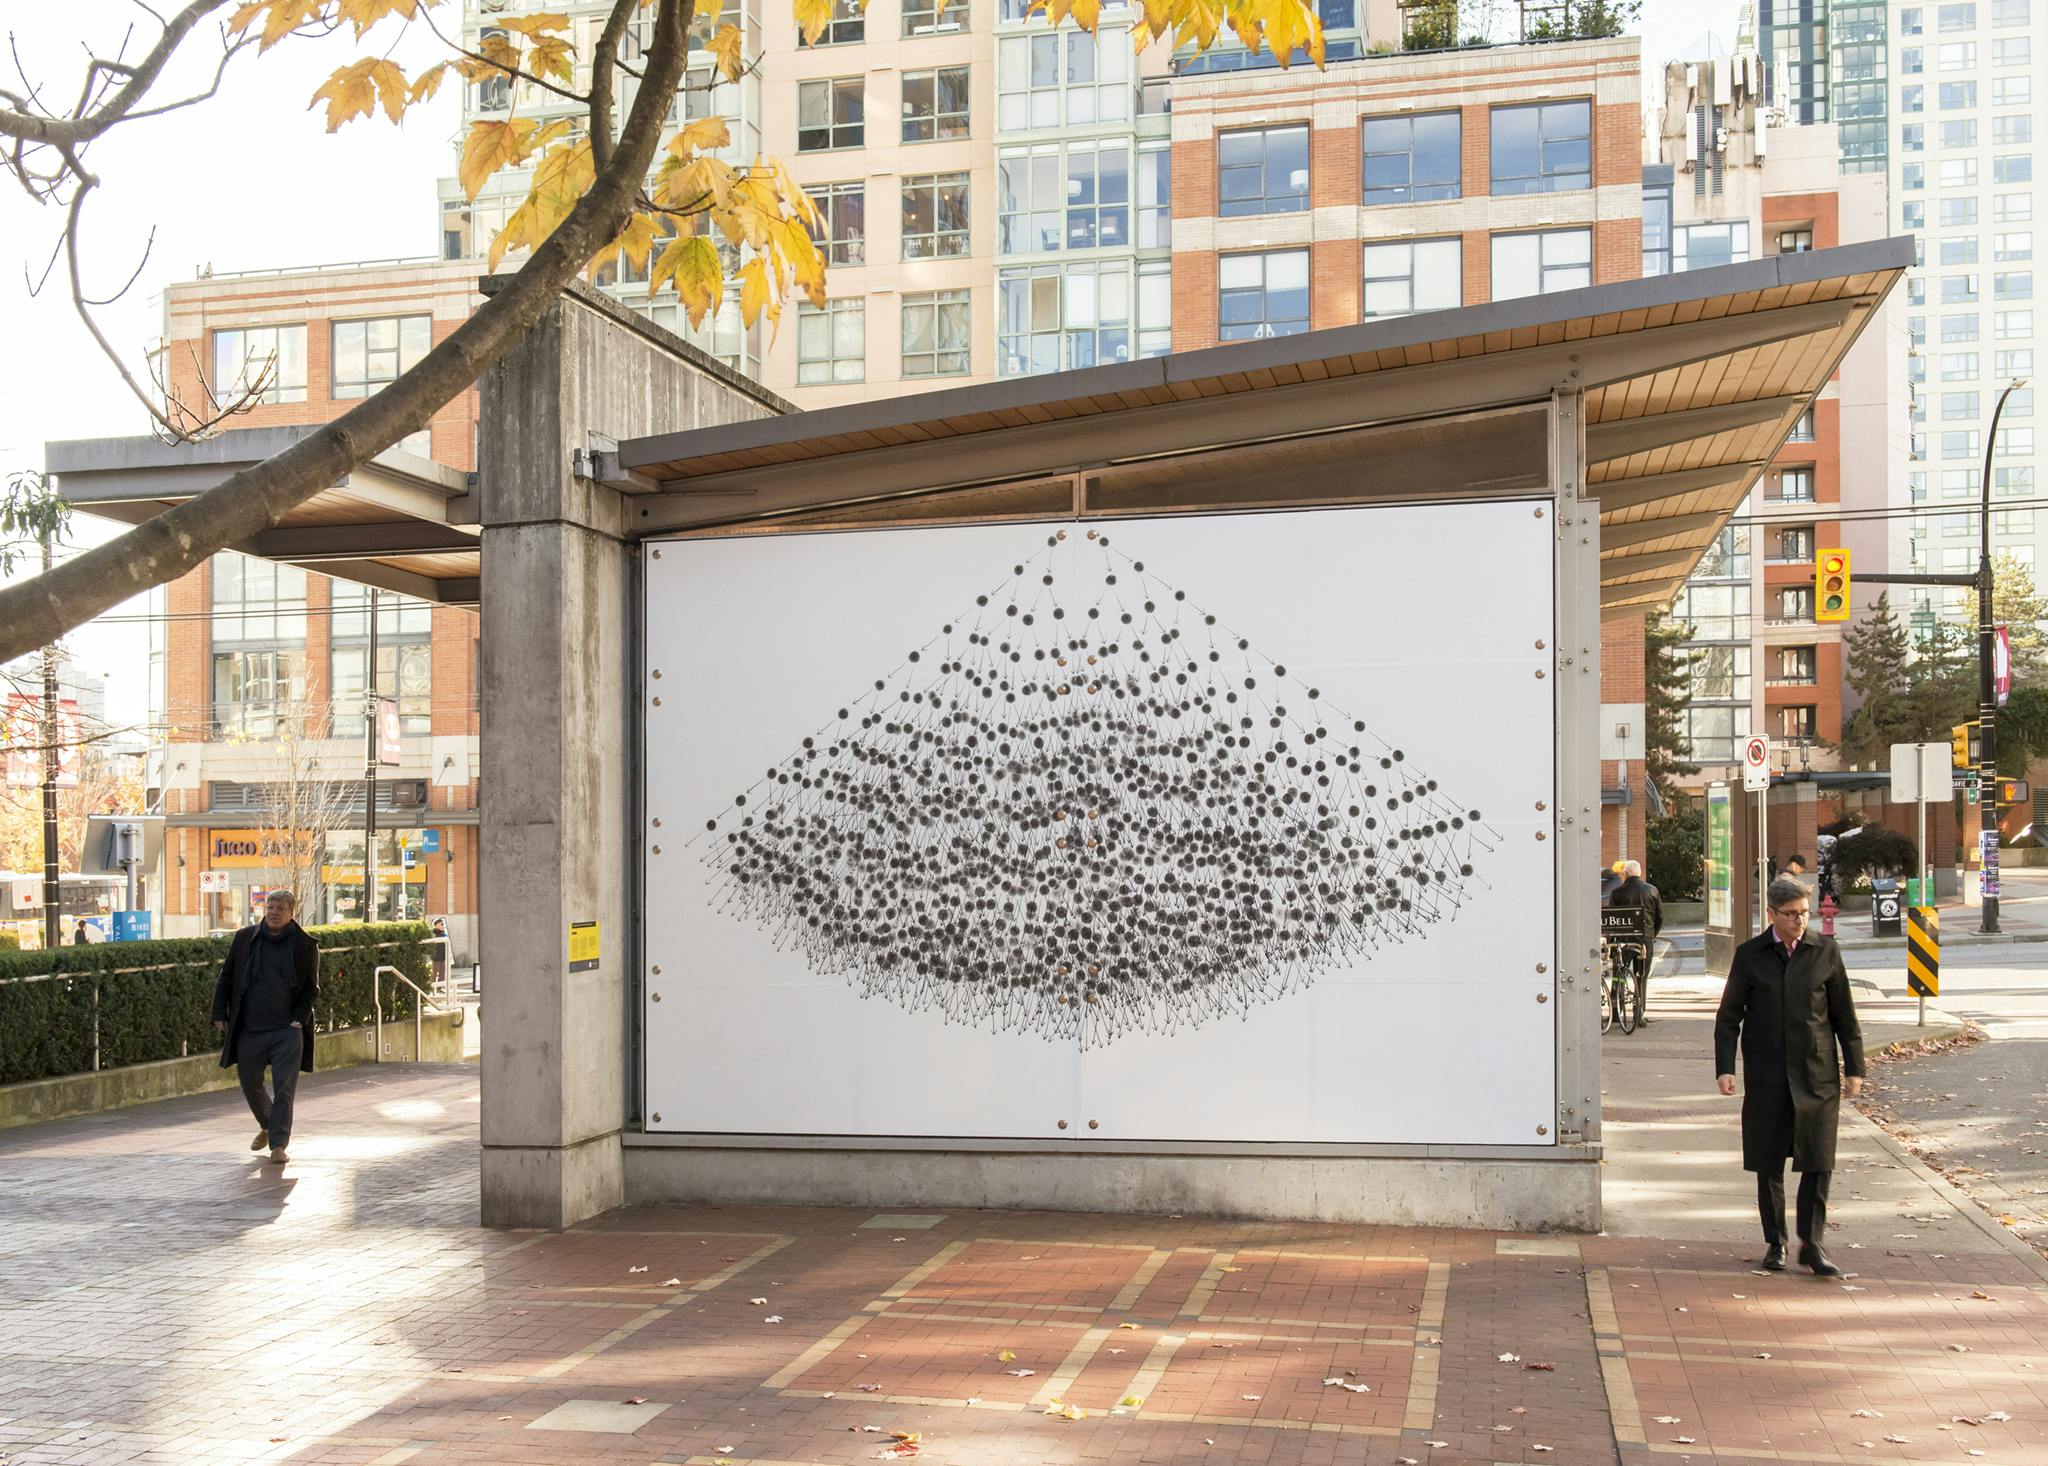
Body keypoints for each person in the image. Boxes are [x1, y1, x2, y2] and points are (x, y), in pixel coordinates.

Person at [1714, 876, 1865, 1276]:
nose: (1800, 921)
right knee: (1768, 1161)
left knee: (1818, 1160)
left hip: (1817, 1075)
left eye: (1804, 912)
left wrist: (1855, 1068)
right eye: (1791, 914)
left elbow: (1844, 1017)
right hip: (1768, 1074)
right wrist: (1725, 1067)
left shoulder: (1825, 951)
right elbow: (1729, 1017)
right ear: (1772, 914)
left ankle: (1811, 1244)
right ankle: (1775, 1241)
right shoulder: (1750, 956)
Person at [211, 889, 320, 1165]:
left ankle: (278, 1145)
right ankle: (268, 1123)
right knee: (249, 1082)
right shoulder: (245, 938)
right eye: (270, 906)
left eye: (280, 908)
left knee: (284, 1089)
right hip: (250, 1026)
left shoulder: (305, 945)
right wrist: (218, 1012)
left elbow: (311, 988)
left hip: (287, 1029)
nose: (273, 912)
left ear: (291, 913)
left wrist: (298, 1019)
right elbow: (227, 976)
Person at [1606, 859, 1664, 1024]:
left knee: (1619, 974)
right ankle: (1639, 1013)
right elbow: (1660, 916)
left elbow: (1612, 919)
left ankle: (1616, 1011)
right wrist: (1652, 935)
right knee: (1641, 976)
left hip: (1622, 940)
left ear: (1625, 874)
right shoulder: (1652, 890)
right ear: (1639, 873)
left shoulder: (1617, 893)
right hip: (1644, 941)